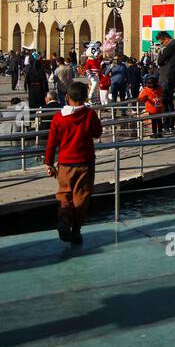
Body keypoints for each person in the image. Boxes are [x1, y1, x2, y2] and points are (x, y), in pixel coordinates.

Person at [44, 80, 103, 245]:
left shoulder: (58, 117)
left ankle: (64, 220)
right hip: (85, 162)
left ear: (67, 97)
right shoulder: (89, 114)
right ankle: (76, 230)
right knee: (81, 197)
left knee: (64, 194)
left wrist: (48, 163)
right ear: (85, 97)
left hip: (65, 163)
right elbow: (97, 133)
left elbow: (51, 143)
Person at [156, 32, 175, 131]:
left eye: (162, 42)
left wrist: (161, 55)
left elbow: (160, 61)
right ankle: (170, 123)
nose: (162, 44)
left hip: (168, 76)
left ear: (166, 38)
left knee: (165, 100)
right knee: (169, 100)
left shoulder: (171, 46)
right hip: (173, 75)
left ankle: (167, 123)